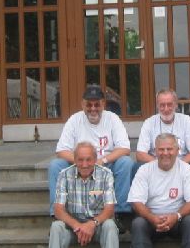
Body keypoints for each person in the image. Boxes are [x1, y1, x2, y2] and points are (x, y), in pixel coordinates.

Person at [45, 141, 121, 248]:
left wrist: (92, 224)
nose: (84, 164)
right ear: (74, 159)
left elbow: (109, 209)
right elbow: (58, 210)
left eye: (88, 159)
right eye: (80, 159)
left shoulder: (106, 174)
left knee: (110, 226)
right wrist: (78, 226)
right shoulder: (64, 175)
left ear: (95, 159)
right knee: (56, 227)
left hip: (97, 225)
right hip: (73, 226)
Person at [47, 85, 133, 229]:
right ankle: (58, 215)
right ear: (83, 104)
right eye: (89, 105)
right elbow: (61, 150)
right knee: (55, 165)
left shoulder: (113, 119)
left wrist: (102, 160)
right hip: (80, 165)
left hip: (105, 164)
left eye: (97, 104)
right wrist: (83, 162)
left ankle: (121, 214)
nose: (93, 108)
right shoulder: (74, 120)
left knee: (126, 163)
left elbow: (125, 148)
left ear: (103, 104)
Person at [134, 88, 190, 216]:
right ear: (157, 106)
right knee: (137, 167)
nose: (166, 108)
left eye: (169, 104)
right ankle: (141, 212)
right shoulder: (149, 123)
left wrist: (177, 165)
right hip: (157, 164)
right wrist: (159, 164)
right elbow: (140, 154)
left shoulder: (186, 120)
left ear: (176, 105)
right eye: (162, 105)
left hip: (182, 164)